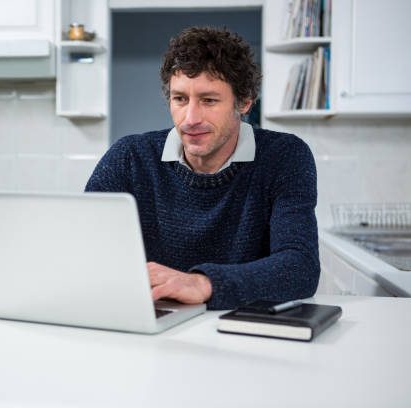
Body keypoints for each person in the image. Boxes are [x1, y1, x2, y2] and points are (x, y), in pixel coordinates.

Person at [85, 26, 319, 310]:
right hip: (151, 324)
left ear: (244, 102)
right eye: (180, 99)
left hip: (241, 331)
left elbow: (300, 267)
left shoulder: (284, 156)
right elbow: (85, 251)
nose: (190, 118)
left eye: (209, 100)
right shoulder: (129, 157)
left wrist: (202, 283)